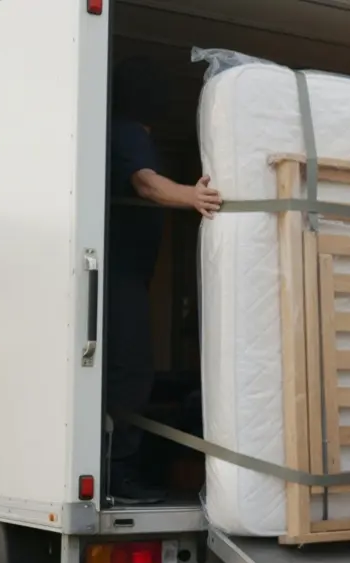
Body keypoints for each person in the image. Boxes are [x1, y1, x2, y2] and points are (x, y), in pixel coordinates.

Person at [105, 57, 222, 504]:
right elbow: (147, 184)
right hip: (120, 279)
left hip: (124, 277)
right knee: (130, 373)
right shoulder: (129, 133)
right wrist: (194, 196)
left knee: (129, 371)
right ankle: (118, 476)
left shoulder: (121, 131)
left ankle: (120, 470)